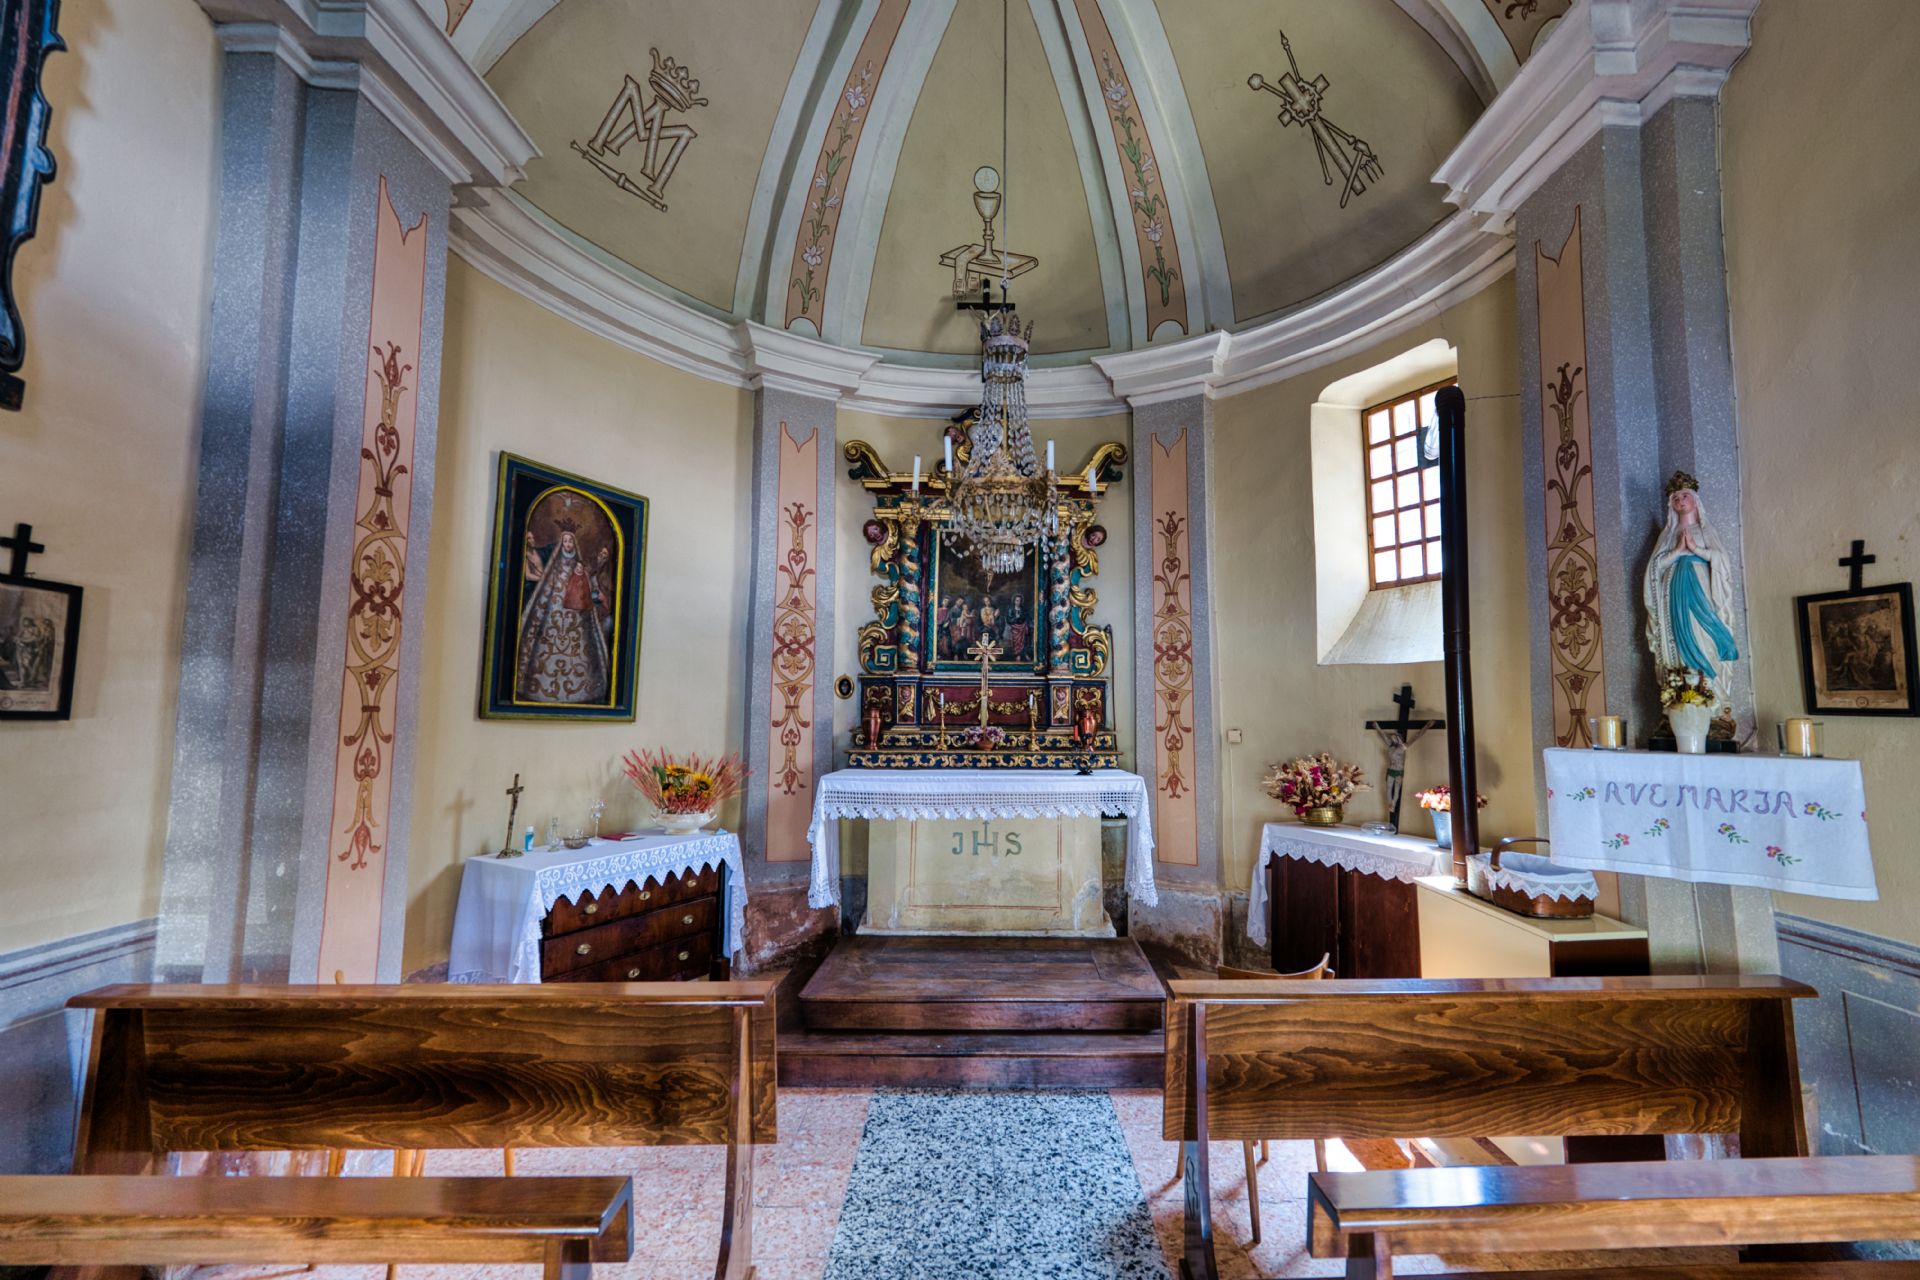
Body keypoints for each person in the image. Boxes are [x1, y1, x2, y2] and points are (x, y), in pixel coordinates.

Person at [1643, 472, 1739, 681]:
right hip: (1674, 590)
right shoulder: (1668, 535)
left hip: (1701, 587)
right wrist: (1677, 551)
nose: (1680, 501)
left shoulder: (1705, 530)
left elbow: (1721, 560)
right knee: (1679, 633)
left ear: (1695, 500)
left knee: (1703, 633)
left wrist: (1696, 549)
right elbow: (1655, 567)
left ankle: (1710, 687)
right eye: (1675, 498)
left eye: (1684, 495)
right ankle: (1682, 685)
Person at [516, 518, 614, 703]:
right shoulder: (554, 565)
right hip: (553, 613)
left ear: (574, 544)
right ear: (561, 543)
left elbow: (587, 583)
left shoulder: (579, 565)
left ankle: (582, 689)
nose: (568, 544)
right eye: (565, 541)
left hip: (577, 616)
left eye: (570, 541)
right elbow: (546, 586)